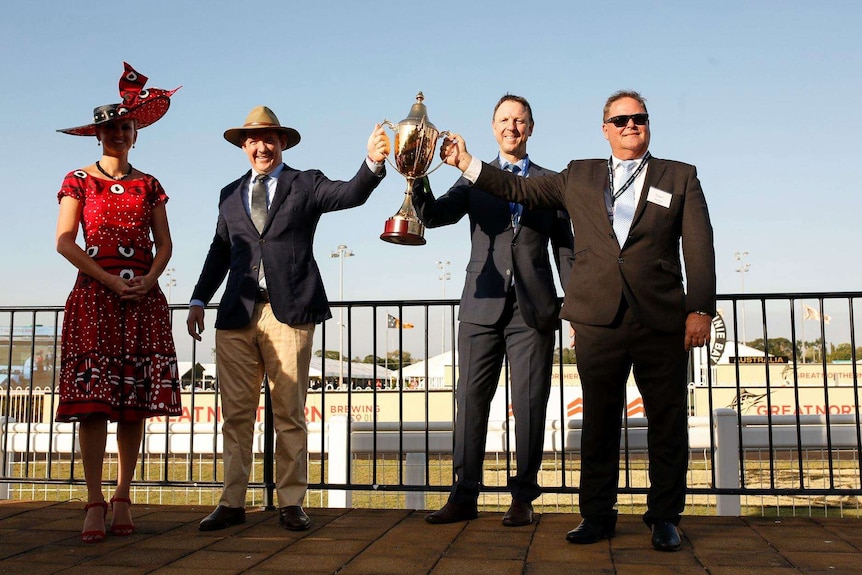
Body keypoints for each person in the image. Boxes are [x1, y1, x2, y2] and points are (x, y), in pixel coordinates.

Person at [440, 90, 716, 551]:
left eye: (639, 118)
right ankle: (597, 516)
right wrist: (468, 163)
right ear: (605, 128)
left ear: (647, 125)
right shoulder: (578, 176)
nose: (631, 126)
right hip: (597, 320)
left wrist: (700, 308)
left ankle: (665, 517)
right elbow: (518, 188)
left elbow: (700, 245)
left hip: (660, 318)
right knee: (600, 423)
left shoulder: (680, 176)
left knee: (667, 422)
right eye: (621, 120)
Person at [187, 106, 390, 532]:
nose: (261, 146)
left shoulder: (306, 183)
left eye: (269, 138)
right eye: (253, 140)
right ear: (244, 147)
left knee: (289, 413)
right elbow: (219, 251)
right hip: (235, 316)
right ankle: (232, 502)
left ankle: (291, 501)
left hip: (290, 313)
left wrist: (372, 162)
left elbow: (350, 193)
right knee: (236, 414)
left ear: (282, 142)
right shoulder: (228, 194)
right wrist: (198, 299)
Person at [415, 95, 573, 527]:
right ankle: (464, 495)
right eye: (504, 119)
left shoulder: (553, 182)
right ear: (492, 127)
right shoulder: (471, 178)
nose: (512, 127)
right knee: (470, 401)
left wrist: (573, 306)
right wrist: (417, 177)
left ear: (531, 128)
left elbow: (566, 249)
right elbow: (432, 215)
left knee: (530, 402)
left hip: (534, 309)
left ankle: (523, 496)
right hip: (480, 306)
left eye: (520, 120)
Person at [55, 63, 182, 543]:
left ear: (135, 133)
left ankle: (124, 494)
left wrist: (149, 279)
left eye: (125, 127)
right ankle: (93, 499)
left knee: (134, 403)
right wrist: (109, 279)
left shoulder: (149, 183)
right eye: (110, 128)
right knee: (94, 404)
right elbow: (65, 242)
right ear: (98, 134)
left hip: (143, 298)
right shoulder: (77, 180)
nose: (118, 134)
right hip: (95, 297)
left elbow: (165, 243)